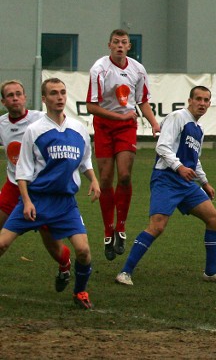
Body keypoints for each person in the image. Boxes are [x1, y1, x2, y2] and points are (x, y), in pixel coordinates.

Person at [115, 86, 216, 286]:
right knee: (157, 226)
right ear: (190, 101)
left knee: (214, 219)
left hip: (186, 182)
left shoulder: (198, 129)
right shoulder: (178, 117)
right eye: (198, 99)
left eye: (206, 100)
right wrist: (179, 167)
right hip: (166, 178)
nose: (202, 104)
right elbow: (162, 146)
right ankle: (125, 272)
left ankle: (211, 271)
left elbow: (194, 160)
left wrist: (204, 182)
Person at [0, 78, 100, 310]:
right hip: (36, 199)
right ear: (45, 99)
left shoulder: (78, 128)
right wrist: (26, 201)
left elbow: (85, 160)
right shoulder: (35, 130)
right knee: (2, 244)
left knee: (84, 251)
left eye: (63, 92)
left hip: (65, 203)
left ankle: (80, 292)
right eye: (53, 93)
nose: (60, 97)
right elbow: (23, 171)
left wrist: (94, 180)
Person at [86, 29, 160, 261]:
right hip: (105, 126)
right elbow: (91, 106)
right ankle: (108, 231)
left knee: (125, 176)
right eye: (116, 42)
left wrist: (154, 124)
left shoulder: (137, 69)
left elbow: (142, 101)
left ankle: (121, 227)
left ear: (129, 46)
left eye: (124, 42)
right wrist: (119, 117)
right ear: (109, 45)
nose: (120, 45)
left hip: (126, 127)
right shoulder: (99, 69)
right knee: (106, 179)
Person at [0, 80, 72, 292]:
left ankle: (65, 265)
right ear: (3, 101)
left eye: (18, 94)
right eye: (10, 95)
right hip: (13, 188)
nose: (15, 98)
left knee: (54, 246)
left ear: (25, 97)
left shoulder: (41, 119)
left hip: (42, 192)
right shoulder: (2, 124)